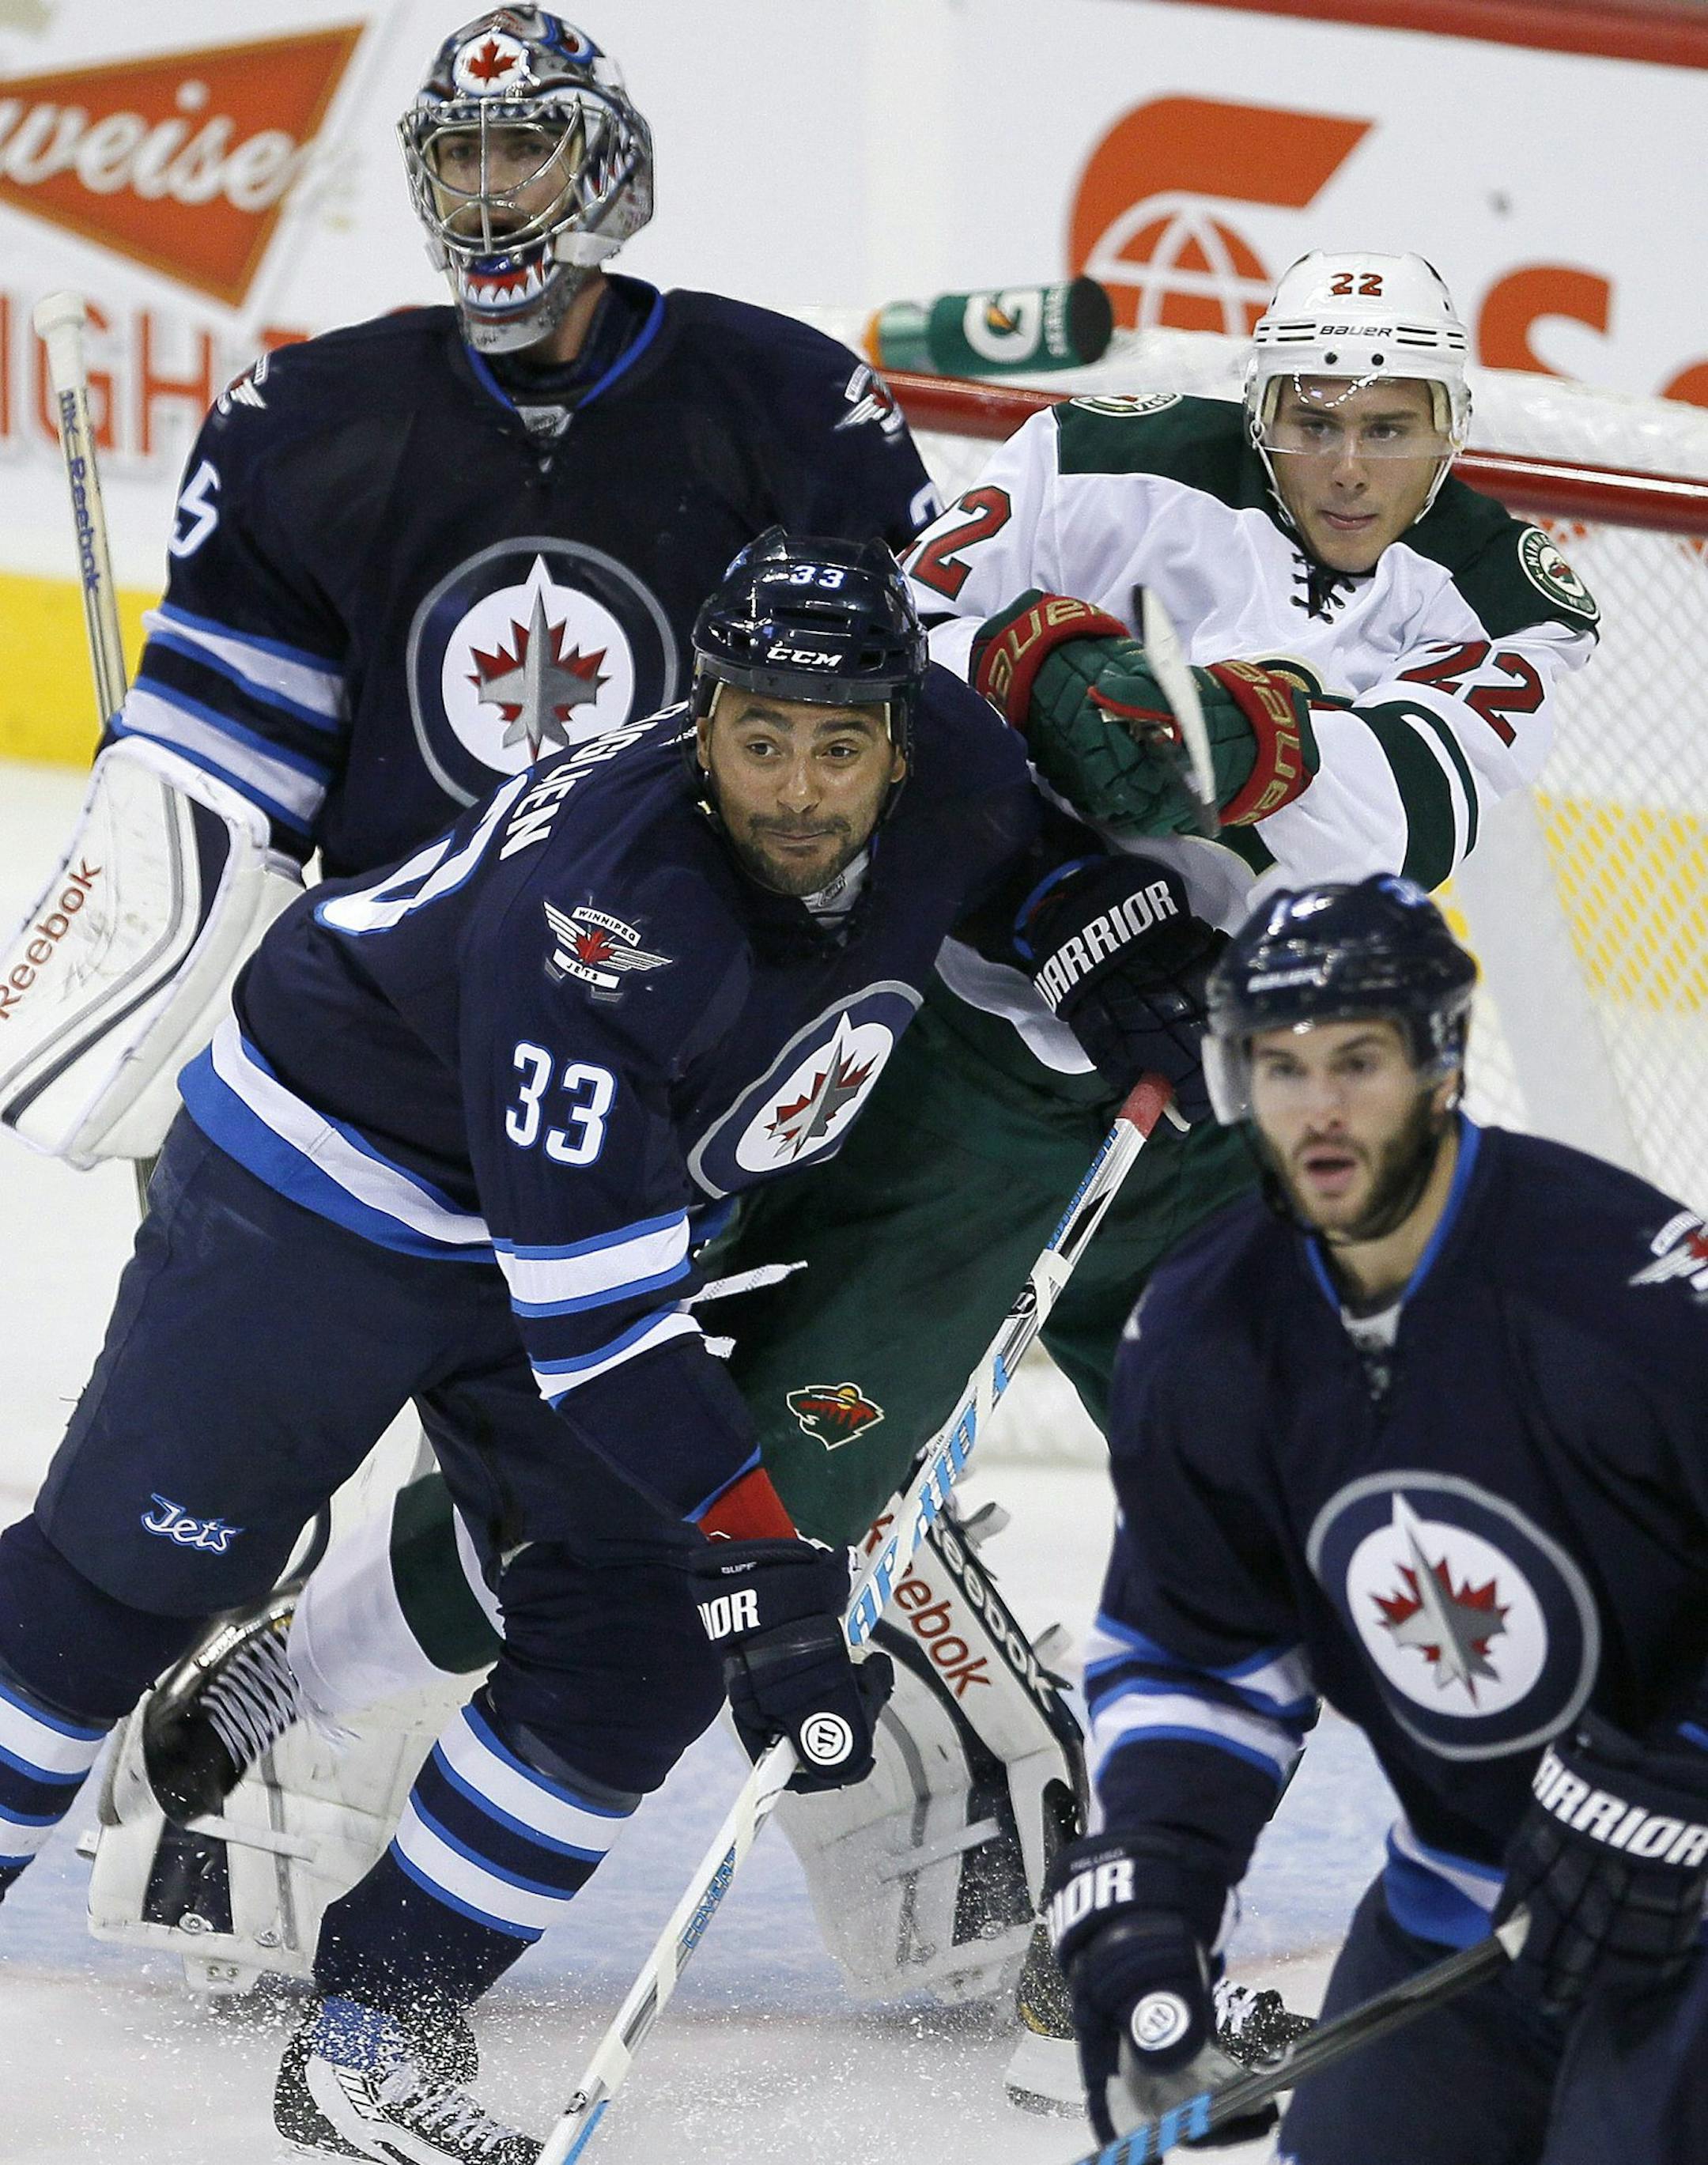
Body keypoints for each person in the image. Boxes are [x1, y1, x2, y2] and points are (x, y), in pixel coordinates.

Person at [89, 247, 1600, 2111]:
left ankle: (1125, 1977)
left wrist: (1148, 702)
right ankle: (295, 1672)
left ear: (1447, 422)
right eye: (1311, 415)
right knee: (712, 1513)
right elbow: (915, 630)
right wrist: (1042, 687)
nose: (1347, 462)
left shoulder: (1526, 592)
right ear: (1261, 395)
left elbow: (1388, 797)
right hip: (965, 1075)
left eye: (1390, 425)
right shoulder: (1118, 444)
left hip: (1240, 1110)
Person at [0, 531, 1224, 2163]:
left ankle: (375, 2030)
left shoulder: (953, 764)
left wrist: (1092, 922)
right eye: (758, 738)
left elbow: (1002, 851)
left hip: (584, 1240)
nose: (796, 788)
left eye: (839, 744)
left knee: (637, 1649)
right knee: (110, 1593)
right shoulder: (609, 919)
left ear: (903, 734)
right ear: (701, 715)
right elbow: (597, 1331)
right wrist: (764, 1564)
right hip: (329, 1194)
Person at [0, 3, 933, 1170]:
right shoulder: (301, 427)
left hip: (687, 1015)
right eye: (460, 154)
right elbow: (220, 774)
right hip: (391, 1019)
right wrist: (124, 978)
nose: (489, 192)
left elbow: (906, 729)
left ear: (608, 171)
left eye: (526, 148)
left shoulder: (791, 407)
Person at [1041, 872, 1708, 2162]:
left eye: (1359, 1060)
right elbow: (1196, 1655)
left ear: (1444, 1063)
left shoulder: (1620, 1287)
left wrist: (1687, 1765)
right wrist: (1156, 1892)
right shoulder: (1207, 1328)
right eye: (1282, 1068)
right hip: (1460, 1915)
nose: (1320, 1108)